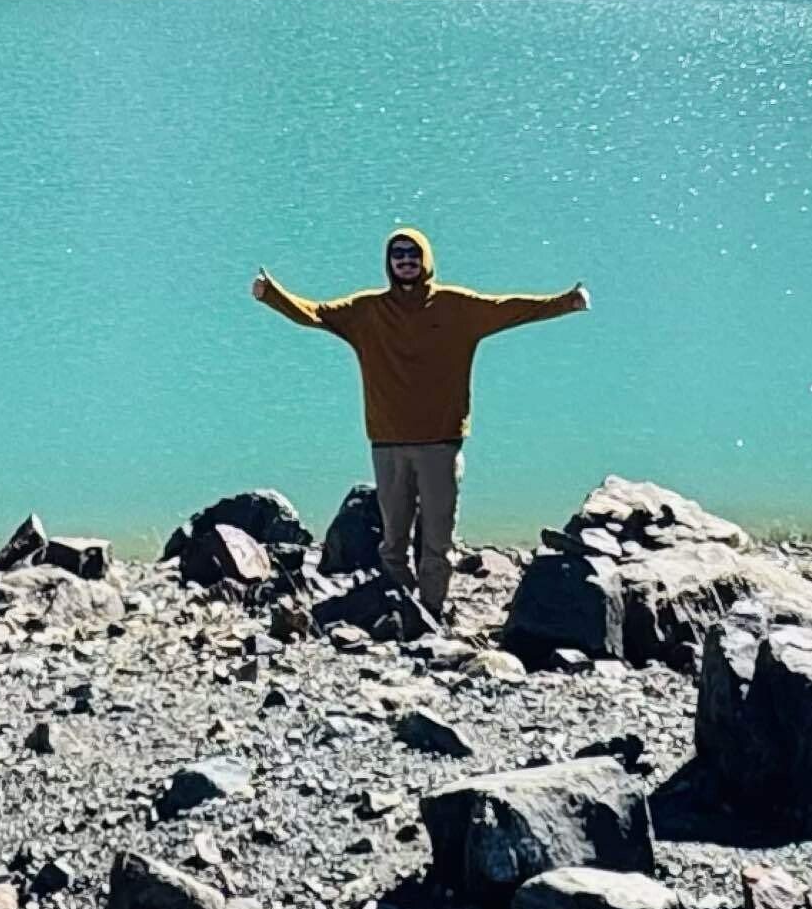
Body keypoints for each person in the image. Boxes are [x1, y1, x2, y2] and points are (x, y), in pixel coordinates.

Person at [249, 229, 583, 629]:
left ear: (425, 259)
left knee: (437, 540)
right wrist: (271, 295)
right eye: (397, 254)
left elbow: (510, 308)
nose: (405, 260)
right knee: (393, 542)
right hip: (388, 443)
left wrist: (566, 302)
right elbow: (315, 313)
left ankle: (433, 613)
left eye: (412, 254)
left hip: (440, 444)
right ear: (388, 263)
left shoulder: (456, 306)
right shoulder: (367, 311)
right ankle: (402, 610)